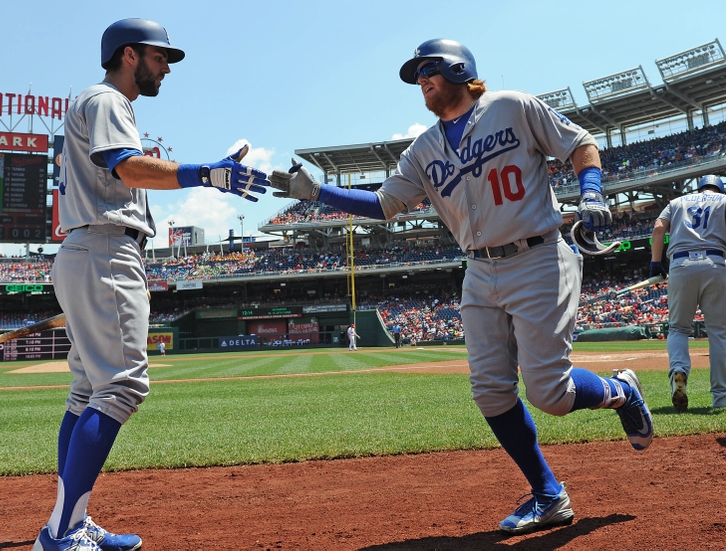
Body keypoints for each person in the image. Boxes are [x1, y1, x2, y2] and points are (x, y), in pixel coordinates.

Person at [271, 38, 653, 535]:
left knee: (549, 394)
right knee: (491, 392)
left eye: (427, 69)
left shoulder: (511, 106)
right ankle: (548, 495)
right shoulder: (422, 149)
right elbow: (387, 204)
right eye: (415, 75)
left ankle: (621, 391)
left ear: (458, 67)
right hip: (478, 270)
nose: (420, 80)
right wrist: (318, 192)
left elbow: (580, 143)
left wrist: (593, 190)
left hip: (537, 256)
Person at [33, 18, 269, 551]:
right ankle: (63, 532)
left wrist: (205, 173)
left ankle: (70, 521)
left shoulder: (98, 104)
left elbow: (122, 170)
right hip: (104, 249)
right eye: (162, 57)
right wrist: (205, 174)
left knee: (89, 390)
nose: (167, 67)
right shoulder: (107, 100)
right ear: (130, 55)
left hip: (85, 249)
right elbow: (127, 169)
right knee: (122, 386)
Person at [650, 174, 726, 412]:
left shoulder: (677, 202)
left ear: (699, 186)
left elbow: (658, 228)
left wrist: (655, 263)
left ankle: (679, 372)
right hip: (715, 262)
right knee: (719, 333)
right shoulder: (724, 200)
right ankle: (721, 398)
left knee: (679, 328)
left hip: (680, 265)